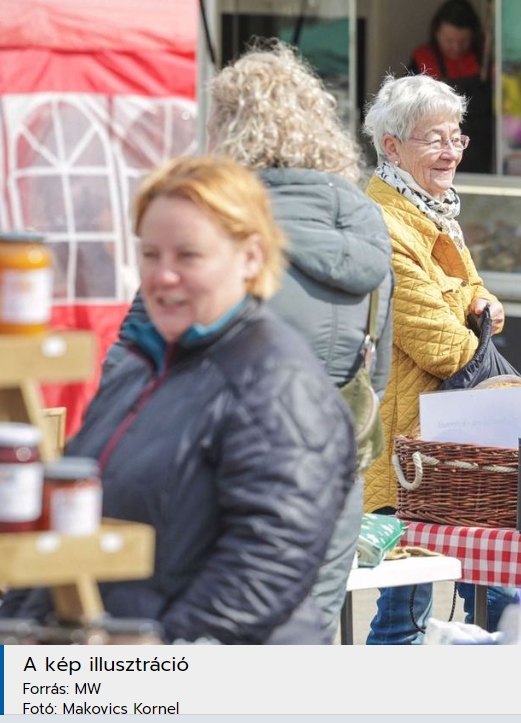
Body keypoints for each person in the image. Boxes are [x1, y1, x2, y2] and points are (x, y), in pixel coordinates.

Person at [101, 42, 394, 643]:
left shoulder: (213, 239)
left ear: (230, 133)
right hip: (331, 496)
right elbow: (376, 378)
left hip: (212, 502)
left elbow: (130, 381)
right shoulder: (370, 240)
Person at [0, 156, 357, 643]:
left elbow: (264, 568)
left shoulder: (278, 382)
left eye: (187, 256)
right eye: (151, 255)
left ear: (251, 257)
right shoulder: (141, 368)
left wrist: (152, 658)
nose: (163, 276)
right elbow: (70, 533)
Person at [360, 73, 515, 643]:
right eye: (434, 138)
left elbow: (485, 298)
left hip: (445, 436)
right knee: (404, 611)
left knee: (486, 587)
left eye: (456, 136)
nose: (450, 151)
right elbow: (436, 341)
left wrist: (479, 305)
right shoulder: (383, 220)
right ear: (392, 147)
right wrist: (473, 311)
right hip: (409, 442)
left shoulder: (433, 210)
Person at [409, 0, 493, 174]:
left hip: (483, 146)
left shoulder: (486, 59)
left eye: (463, 41)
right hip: (440, 150)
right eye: (449, 40)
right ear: (436, 33)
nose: (456, 47)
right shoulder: (422, 60)